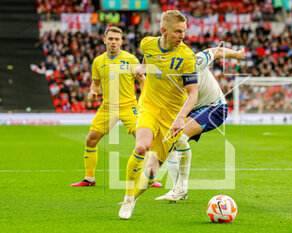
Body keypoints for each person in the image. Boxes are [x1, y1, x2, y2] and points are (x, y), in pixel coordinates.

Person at [118, 10, 198, 219]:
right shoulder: (147, 43)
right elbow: (148, 57)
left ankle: (134, 197)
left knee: (152, 172)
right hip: (149, 106)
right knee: (141, 146)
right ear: (164, 30)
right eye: (178, 32)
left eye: (184, 31)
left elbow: (193, 93)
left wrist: (181, 117)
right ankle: (128, 198)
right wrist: (143, 68)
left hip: (172, 117)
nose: (182, 36)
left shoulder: (186, 57)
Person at [155, 47, 246, 201]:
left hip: (215, 107)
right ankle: (177, 189)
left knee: (180, 137)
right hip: (194, 109)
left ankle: (180, 189)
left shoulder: (196, 61)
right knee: (169, 140)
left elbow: (216, 52)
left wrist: (237, 54)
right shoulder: (167, 77)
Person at [70, 26, 145, 187]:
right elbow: (95, 84)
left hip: (129, 106)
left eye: (116, 39)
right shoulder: (98, 61)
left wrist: (146, 99)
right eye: (110, 39)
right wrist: (93, 92)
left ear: (122, 42)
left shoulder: (131, 60)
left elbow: (143, 80)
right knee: (91, 139)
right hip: (108, 107)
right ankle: (89, 179)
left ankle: (149, 178)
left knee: (144, 141)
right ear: (105, 40)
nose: (113, 42)